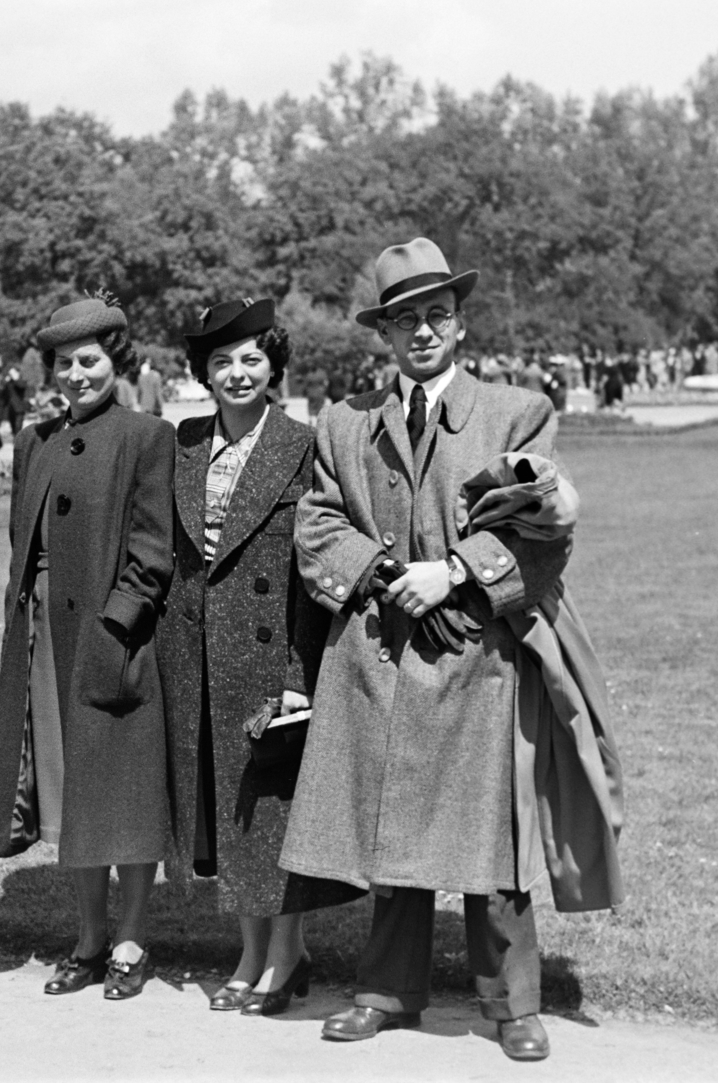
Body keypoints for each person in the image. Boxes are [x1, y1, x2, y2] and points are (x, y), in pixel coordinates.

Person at [280, 238, 623, 1061]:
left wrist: (454, 572)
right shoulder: (345, 421)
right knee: (391, 823)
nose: (422, 331)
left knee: (491, 837)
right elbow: (317, 523)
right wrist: (381, 571)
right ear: (386, 335)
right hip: (380, 652)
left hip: (480, 657)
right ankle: (385, 992)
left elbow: (543, 529)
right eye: (405, 319)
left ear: (459, 325)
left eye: (436, 314)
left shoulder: (517, 411)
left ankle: (513, 1004)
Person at [156, 298, 362, 1018]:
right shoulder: (182, 443)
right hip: (193, 651)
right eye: (221, 362)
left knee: (270, 809)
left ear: (275, 366)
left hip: (272, 647)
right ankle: (250, 949)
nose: (237, 373)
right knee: (223, 806)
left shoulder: (303, 444)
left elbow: (315, 568)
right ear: (203, 373)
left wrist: (300, 677)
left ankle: (285, 952)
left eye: (251, 359)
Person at [0, 292, 175, 1001]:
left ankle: (131, 937)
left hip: (116, 642)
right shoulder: (35, 441)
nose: (77, 375)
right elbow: (17, 549)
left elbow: (154, 550)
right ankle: (88, 937)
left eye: (89, 360)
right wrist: (15, 640)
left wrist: (117, 625)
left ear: (114, 358)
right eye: (63, 363)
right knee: (70, 797)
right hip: (46, 640)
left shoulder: (147, 436)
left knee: (126, 796)